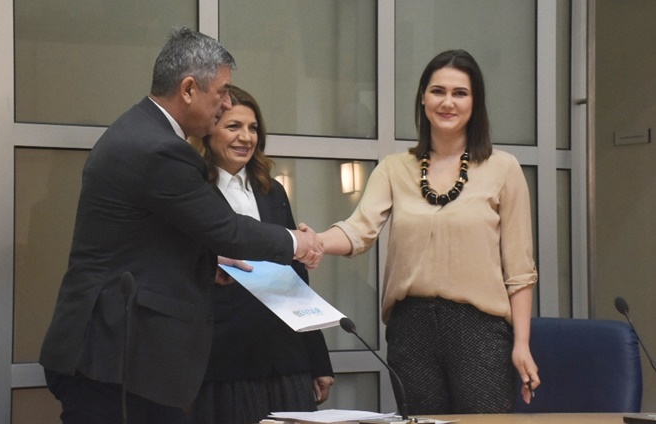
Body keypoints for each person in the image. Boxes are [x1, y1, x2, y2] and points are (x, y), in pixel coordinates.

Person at [39, 28, 323, 424]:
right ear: (189, 88)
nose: (226, 104)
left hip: (119, 354)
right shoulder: (159, 148)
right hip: (115, 354)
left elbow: (148, 243)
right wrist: (299, 241)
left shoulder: (141, 131)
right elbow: (225, 228)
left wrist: (209, 265)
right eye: (222, 92)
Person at [317, 49, 540, 414]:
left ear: (475, 101)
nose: (447, 102)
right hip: (411, 327)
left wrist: (522, 343)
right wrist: (311, 242)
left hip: (479, 329)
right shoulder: (394, 168)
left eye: (460, 93)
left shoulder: (503, 169)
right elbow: (359, 231)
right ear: (422, 97)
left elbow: (519, 270)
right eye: (438, 91)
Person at [185, 86, 335, 424]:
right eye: (234, 126)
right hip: (223, 359)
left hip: (284, 356)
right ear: (209, 132)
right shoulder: (192, 190)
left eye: (253, 128)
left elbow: (297, 278)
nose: (246, 137)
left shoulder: (272, 190)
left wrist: (317, 359)